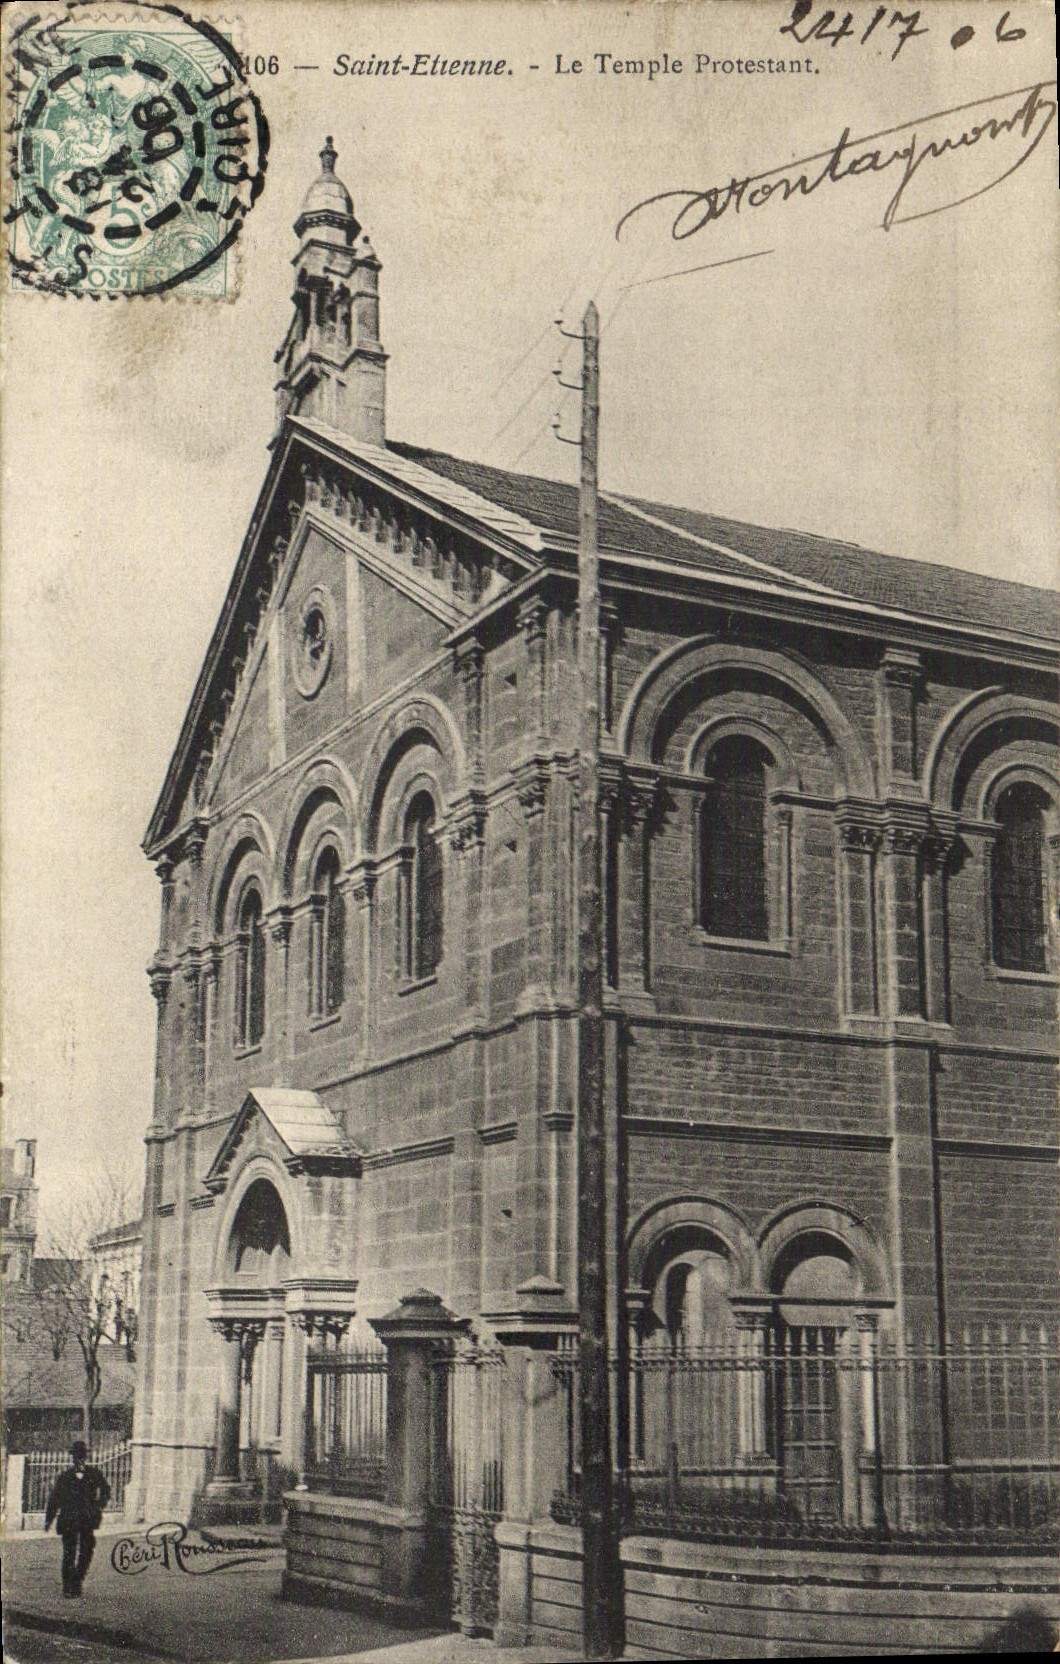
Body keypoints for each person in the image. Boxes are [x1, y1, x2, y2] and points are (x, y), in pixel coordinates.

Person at [44, 1440, 111, 1597]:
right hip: (69, 1520)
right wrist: (49, 1520)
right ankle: (68, 1587)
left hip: (88, 1520)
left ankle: (77, 1579)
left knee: (87, 1550)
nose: (79, 1460)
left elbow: (106, 1490)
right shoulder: (65, 1477)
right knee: (69, 1553)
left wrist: (99, 1505)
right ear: (73, 1458)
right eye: (77, 1457)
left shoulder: (94, 1474)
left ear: (85, 1457)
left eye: (82, 1456)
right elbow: (55, 1499)